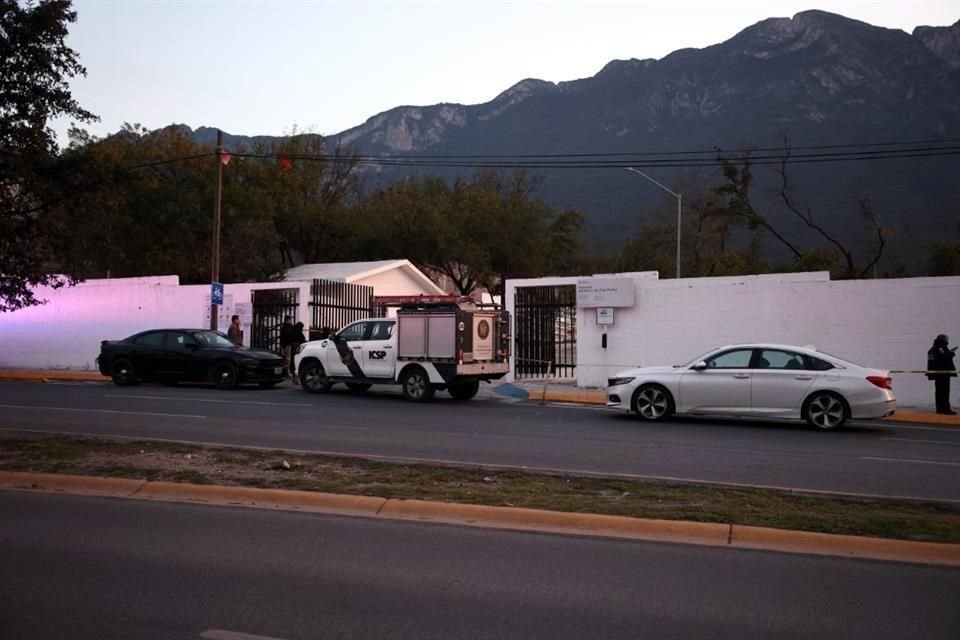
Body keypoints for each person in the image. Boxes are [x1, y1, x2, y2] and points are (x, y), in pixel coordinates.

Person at [927, 334, 957, 415]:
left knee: (939, 392)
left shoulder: (933, 348)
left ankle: (939, 409)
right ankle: (946, 409)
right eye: (946, 339)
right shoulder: (941, 347)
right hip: (944, 374)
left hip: (938, 374)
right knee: (945, 392)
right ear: (943, 340)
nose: (947, 341)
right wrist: (952, 353)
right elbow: (944, 358)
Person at [279, 316, 298, 383]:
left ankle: (287, 372)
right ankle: (287, 372)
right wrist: (285, 345)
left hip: (285, 345)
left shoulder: (284, 327)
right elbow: (288, 336)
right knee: (288, 359)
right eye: (290, 320)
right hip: (288, 345)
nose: (291, 321)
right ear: (287, 320)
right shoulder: (288, 328)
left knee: (286, 359)